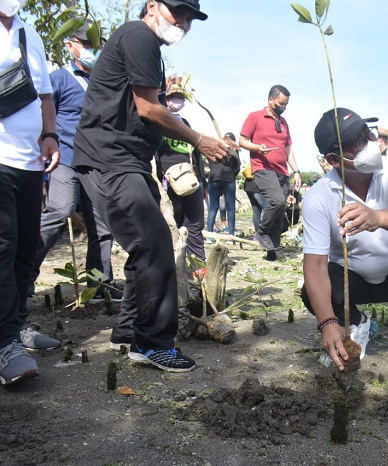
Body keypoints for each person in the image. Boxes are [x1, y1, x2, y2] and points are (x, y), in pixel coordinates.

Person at [73, 0, 229, 372]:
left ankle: (129, 331)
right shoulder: (139, 34)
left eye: (191, 18)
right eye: (178, 14)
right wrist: (198, 139)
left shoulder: (147, 47)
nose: (184, 24)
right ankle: (153, 342)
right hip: (109, 157)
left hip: (126, 159)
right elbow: (148, 108)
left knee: (144, 246)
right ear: (152, 6)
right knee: (154, 241)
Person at [301, 108, 388, 372]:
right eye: (355, 143)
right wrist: (327, 322)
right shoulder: (318, 197)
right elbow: (315, 265)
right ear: (334, 159)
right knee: (311, 291)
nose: (368, 143)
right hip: (351, 282)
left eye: (366, 134)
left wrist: (377, 217)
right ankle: (357, 323)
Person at [24, 23, 122, 353]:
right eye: (85, 43)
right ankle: (24, 276)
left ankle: (100, 283)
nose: (93, 49)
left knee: (102, 225)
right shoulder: (59, 78)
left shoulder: (101, 81)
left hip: (94, 162)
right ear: (71, 45)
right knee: (61, 209)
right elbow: (42, 113)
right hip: (64, 157)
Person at [0, 0, 60, 384]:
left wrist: (50, 135)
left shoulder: (29, 33)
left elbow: (45, 95)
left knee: (24, 246)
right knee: (2, 246)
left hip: (30, 162)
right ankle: (5, 344)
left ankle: (17, 322)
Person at [239, 85, 302, 259]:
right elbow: (242, 140)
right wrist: (258, 147)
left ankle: (273, 250)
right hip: (263, 167)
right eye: (281, 103)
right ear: (271, 100)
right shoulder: (255, 117)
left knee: (280, 214)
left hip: (282, 171)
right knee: (278, 201)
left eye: (286, 104)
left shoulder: (283, 122)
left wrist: (296, 171)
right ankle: (262, 231)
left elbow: (288, 148)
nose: (284, 107)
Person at [156, 76, 207, 261]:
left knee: (195, 224)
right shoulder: (157, 123)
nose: (176, 101)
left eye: (180, 97)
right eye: (172, 97)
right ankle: (173, 267)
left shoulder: (184, 124)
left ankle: (198, 268)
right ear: (164, 98)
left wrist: (203, 182)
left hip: (190, 180)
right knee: (172, 224)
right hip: (167, 182)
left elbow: (196, 151)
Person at [206, 132, 239, 238]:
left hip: (214, 178)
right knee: (231, 208)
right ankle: (231, 236)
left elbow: (210, 162)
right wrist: (232, 174)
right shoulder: (233, 148)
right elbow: (237, 166)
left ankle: (210, 236)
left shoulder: (215, 146)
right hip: (229, 179)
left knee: (213, 208)